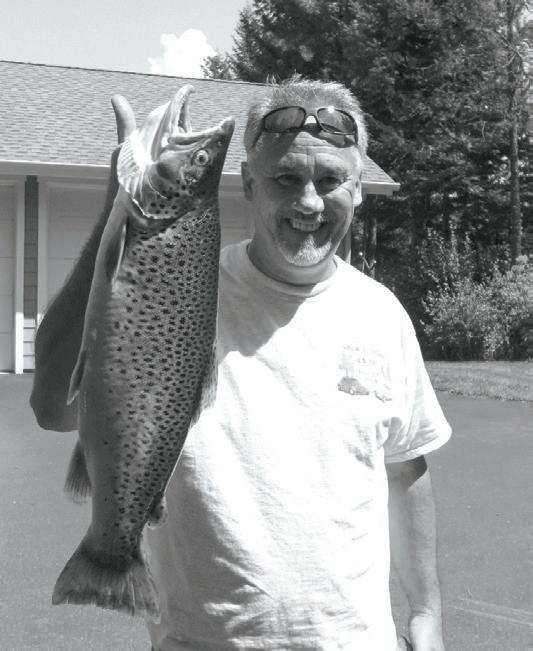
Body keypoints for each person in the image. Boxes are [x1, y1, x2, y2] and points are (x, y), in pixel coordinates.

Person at [31, 78, 451, 651]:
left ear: (357, 191)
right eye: (286, 179)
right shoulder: (176, 282)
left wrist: (426, 610)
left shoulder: (383, 314)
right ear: (250, 183)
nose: (309, 202)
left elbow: (406, 469)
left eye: (330, 181)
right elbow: (52, 406)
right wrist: (118, 210)